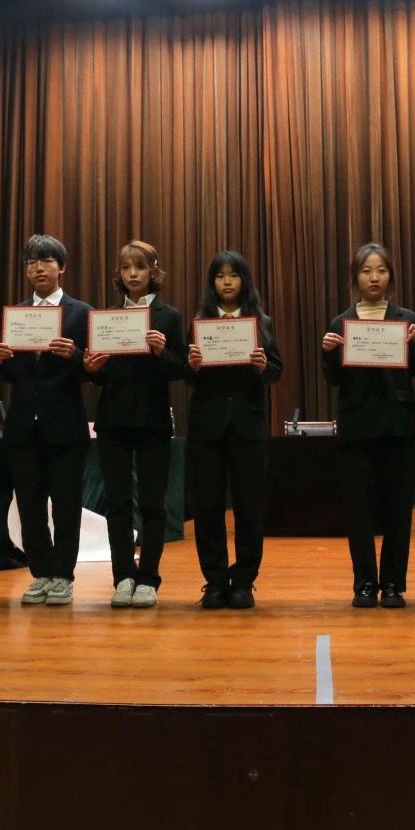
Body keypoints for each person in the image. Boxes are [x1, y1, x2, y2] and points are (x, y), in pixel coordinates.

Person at [322, 242, 415, 609]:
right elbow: (334, 379)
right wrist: (328, 353)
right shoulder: (341, 322)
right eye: (366, 271)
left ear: (390, 277)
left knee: (399, 509)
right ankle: (365, 583)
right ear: (355, 278)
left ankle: (394, 584)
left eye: (381, 270)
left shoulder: (406, 318)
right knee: (359, 511)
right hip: (356, 428)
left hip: (398, 427)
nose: (374, 277)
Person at [84, 240, 186, 609]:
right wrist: (90, 369)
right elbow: (101, 375)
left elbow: (182, 369)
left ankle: (149, 578)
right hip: (112, 421)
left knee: (153, 504)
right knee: (118, 504)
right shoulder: (108, 318)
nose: (132, 274)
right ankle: (123, 576)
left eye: (140, 267)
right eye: (126, 267)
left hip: (153, 421)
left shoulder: (169, 317)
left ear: (153, 272)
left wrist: (161, 352)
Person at [0, 234, 92, 607]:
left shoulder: (81, 312)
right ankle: (42, 573)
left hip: (65, 424)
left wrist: (75, 355)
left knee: (66, 506)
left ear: (61, 267)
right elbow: (9, 374)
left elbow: (94, 368)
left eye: (46, 260)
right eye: (31, 262)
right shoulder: (15, 314)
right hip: (22, 425)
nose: (38, 268)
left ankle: (63, 576)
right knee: (29, 506)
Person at [185, 251, 283, 610]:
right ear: (211, 283)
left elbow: (276, 371)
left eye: (234, 275)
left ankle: (243, 581)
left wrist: (262, 365)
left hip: (248, 427)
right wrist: (193, 365)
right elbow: (186, 375)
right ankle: (214, 582)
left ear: (244, 280)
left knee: (249, 508)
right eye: (220, 276)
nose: (227, 282)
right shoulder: (200, 322)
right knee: (207, 507)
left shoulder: (261, 322)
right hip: (207, 427)